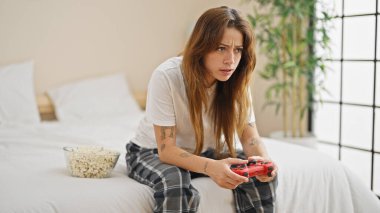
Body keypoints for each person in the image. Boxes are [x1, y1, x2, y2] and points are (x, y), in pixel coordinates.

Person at [125, 6, 278, 213]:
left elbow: (250, 139)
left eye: (237, 50)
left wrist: (264, 163)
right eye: (221, 48)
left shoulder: (237, 82)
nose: (230, 60)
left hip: (206, 151)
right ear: (202, 46)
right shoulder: (167, 76)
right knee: (176, 183)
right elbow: (167, 150)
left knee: (257, 176)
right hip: (151, 152)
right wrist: (210, 167)